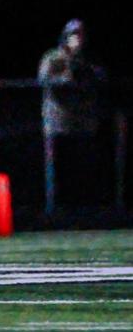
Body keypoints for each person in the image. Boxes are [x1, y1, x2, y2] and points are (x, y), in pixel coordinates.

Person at [38, 18, 109, 210]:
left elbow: (101, 79)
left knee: (84, 168)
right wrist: (66, 72)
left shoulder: (90, 60)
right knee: (57, 169)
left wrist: (84, 69)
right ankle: (54, 208)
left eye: (81, 34)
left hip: (84, 124)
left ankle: (86, 207)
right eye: (73, 34)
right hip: (58, 123)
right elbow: (44, 80)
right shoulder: (53, 57)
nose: (77, 38)